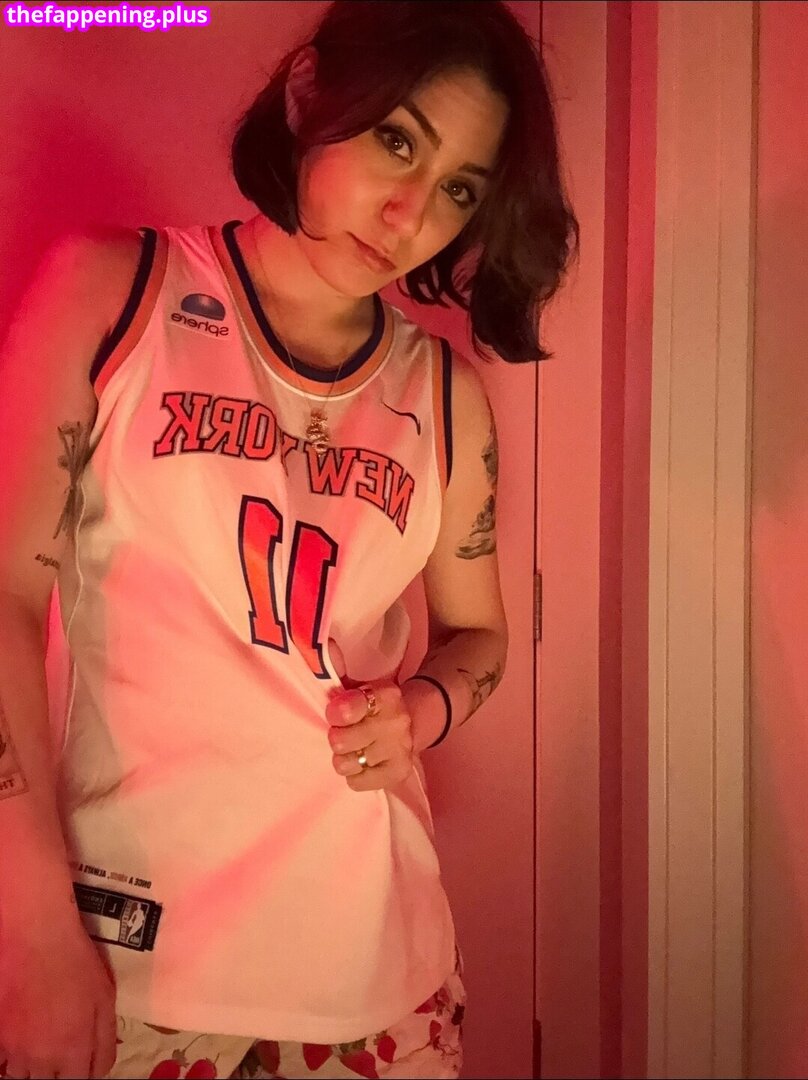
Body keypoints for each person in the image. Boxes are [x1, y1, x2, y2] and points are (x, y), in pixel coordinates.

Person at [0, 2, 578, 1077]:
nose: (409, 214)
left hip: (381, 983)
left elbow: (482, 634)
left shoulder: (445, 398)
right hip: (131, 974)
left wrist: (421, 709)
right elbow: (5, 593)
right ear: (310, 93)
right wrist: (28, 924)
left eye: (459, 188)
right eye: (397, 140)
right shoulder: (114, 293)